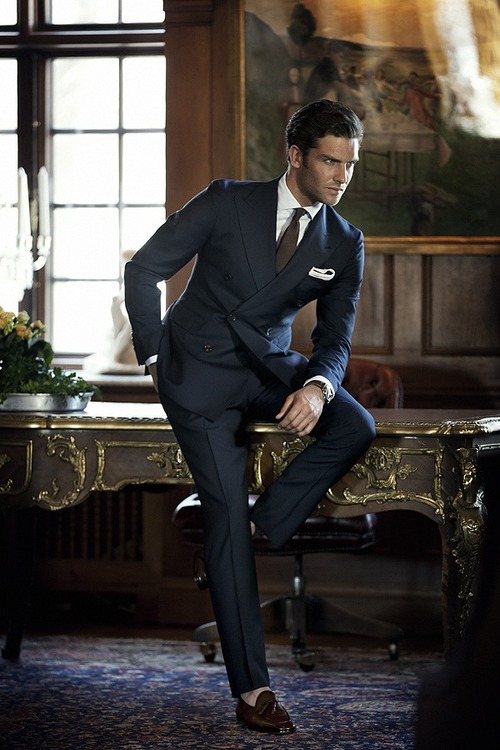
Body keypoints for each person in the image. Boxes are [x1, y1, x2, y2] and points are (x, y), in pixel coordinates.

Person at [124, 99, 376, 734]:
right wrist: (155, 358)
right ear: (295, 156)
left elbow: (336, 339)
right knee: (223, 514)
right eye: (330, 161)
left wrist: (317, 387)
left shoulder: (345, 242)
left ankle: (258, 527)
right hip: (198, 372)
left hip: (268, 367)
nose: (342, 176)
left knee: (356, 425)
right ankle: (254, 690)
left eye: (350, 164)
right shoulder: (226, 201)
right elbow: (144, 269)